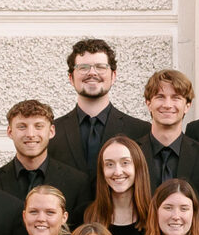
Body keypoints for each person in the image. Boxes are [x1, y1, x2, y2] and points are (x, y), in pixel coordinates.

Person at [51, 38, 152, 176]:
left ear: (113, 75)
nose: (92, 73)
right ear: (71, 78)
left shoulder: (141, 131)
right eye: (83, 67)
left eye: (100, 67)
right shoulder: (52, 132)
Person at [0, 100, 91, 218]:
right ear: (10, 132)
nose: (30, 134)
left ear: (51, 131)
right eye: (22, 126)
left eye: (38, 126)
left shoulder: (77, 182)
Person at [142, 68, 199, 201]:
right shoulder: (130, 154)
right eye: (160, 97)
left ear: (187, 105)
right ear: (148, 104)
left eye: (176, 98)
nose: (167, 105)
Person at [82, 135, 152, 235]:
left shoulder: (156, 216)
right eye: (109, 164)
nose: (118, 172)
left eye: (125, 163)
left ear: (138, 166)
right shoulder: (83, 215)